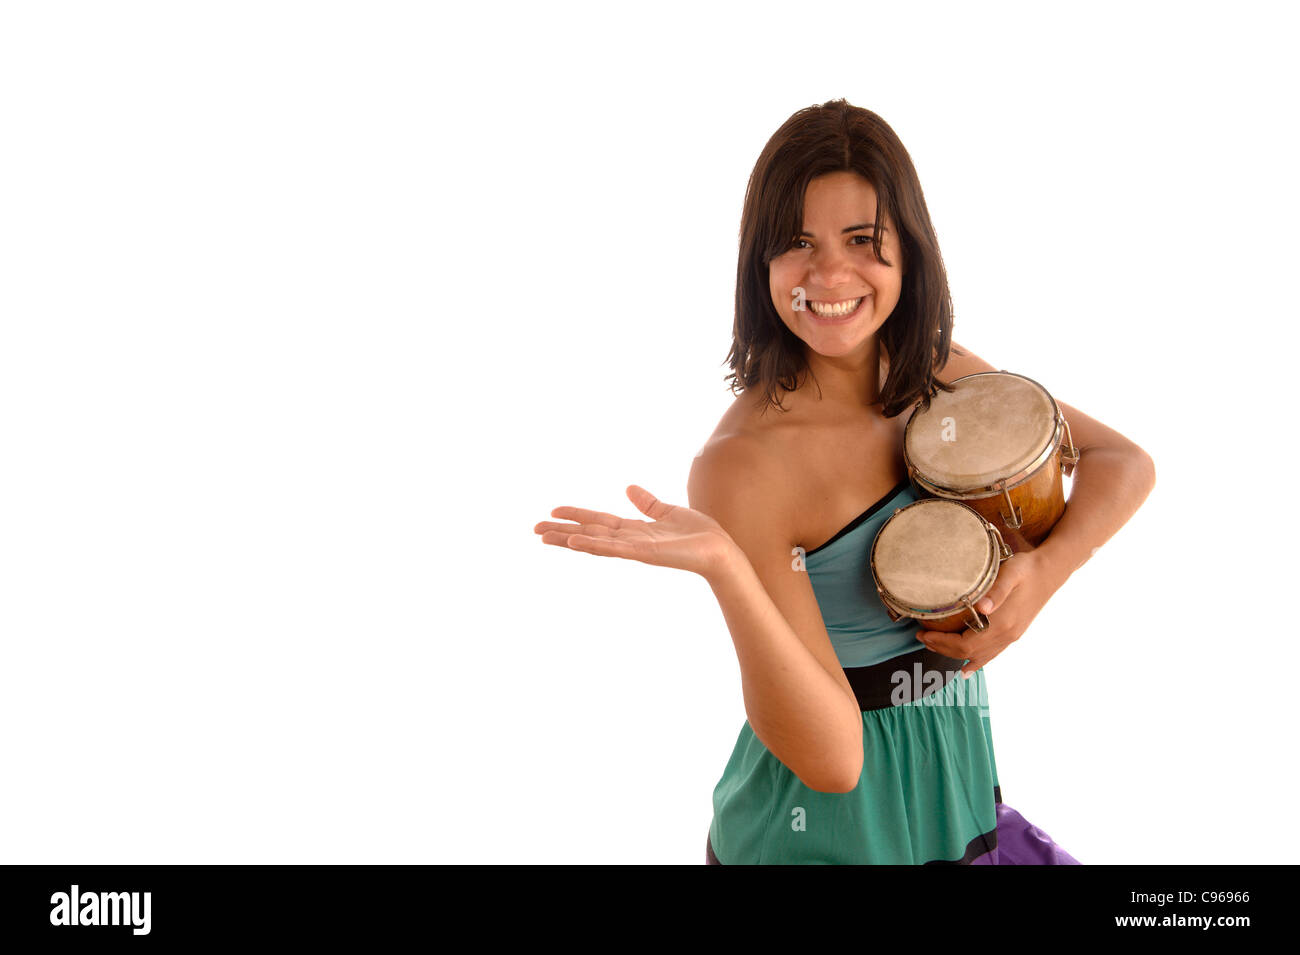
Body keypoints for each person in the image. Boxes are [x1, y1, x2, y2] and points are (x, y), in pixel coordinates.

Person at [534, 99, 1155, 864]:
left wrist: (1043, 573)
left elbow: (1122, 462)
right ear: (759, 262)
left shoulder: (938, 372)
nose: (829, 274)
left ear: (909, 252)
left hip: (951, 799)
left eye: (863, 240)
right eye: (797, 242)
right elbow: (833, 760)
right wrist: (728, 569)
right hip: (824, 837)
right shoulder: (743, 465)